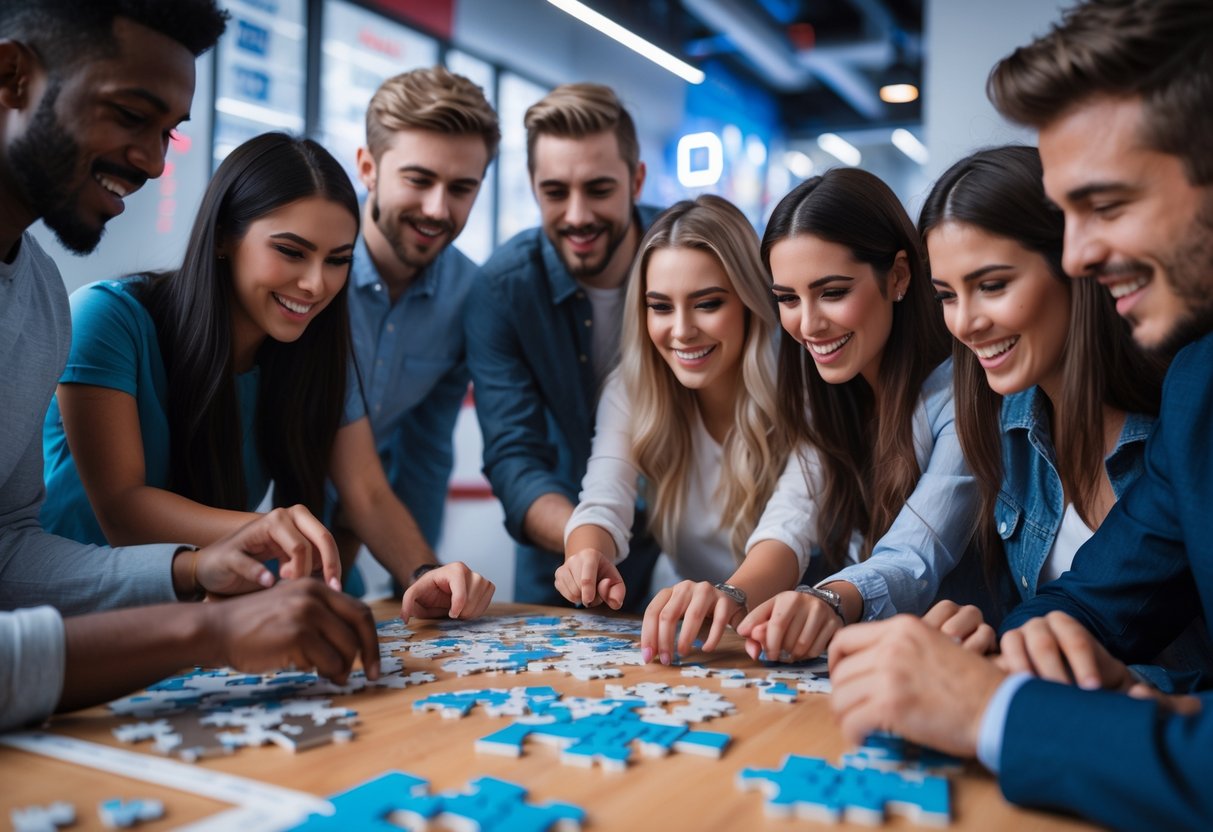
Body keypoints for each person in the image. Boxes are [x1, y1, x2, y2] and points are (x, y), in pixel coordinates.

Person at [828, 1, 1213, 828]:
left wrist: (992, 711)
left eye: (1106, 205)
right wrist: (1002, 653)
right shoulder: (1196, 383)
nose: (1078, 256)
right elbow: (1096, 595)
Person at [1, 0, 379, 731]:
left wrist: (194, 569)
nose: (150, 161)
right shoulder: (101, 312)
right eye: (129, 115)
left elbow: (10, 552)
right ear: (11, 75)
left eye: (167, 132)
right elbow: (114, 508)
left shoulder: (41, 293)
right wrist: (205, 630)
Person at [40, 132, 494, 622]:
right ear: (222, 237)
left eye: (338, 260)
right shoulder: (107, 317)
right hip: (68, 623)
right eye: (291, 251)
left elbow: (367, 492)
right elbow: (123, 510)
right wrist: (270, 528)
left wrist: (425, 571)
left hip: (198, 626)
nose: (316, 284)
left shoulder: (313, 352)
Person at [920, 145, 1177, 661]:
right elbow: (1065, 617)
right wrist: (989, 643)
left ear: (1076, 268)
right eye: (947, 295)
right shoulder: (1006, 424)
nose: (965, 322)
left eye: (991, 285)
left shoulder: (1181, 419)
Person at [726, 168, 979, 664]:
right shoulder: (828, 390)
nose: (808, 323)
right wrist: (729, 595)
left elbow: (914, 552)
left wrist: (826, 600)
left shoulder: (962, 391)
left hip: (953, 672)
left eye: (833, 292)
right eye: (787, 299)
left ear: (899, 276)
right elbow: (790, 517)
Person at [555, 195, 801, 663]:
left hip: (790, 635)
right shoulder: (631, 386)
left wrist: (726, 597)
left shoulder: (801, 389)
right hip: (693, 639)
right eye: (661, 307)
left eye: (707, 303)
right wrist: (585, 556)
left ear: (750, 301)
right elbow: (603, 500)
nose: (682, 330)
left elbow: (790, 530)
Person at [467, 83, 662, 608]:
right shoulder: (503, 290)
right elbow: (514, 455)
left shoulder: (693, 255)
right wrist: (587, 542)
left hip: (698, 537)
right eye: (555, 192)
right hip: (564, 544)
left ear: (636, 180)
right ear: (533, 187)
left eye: (599, 189)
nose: (577, 216)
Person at [332, 66, 500, 584]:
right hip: (241, 520)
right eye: (419, 179)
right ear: (368, 167)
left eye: (461, 188)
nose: (437, 209)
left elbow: (426, 453)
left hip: (355, 535)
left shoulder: (466, 296)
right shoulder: (310, 268)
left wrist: (420, 577)